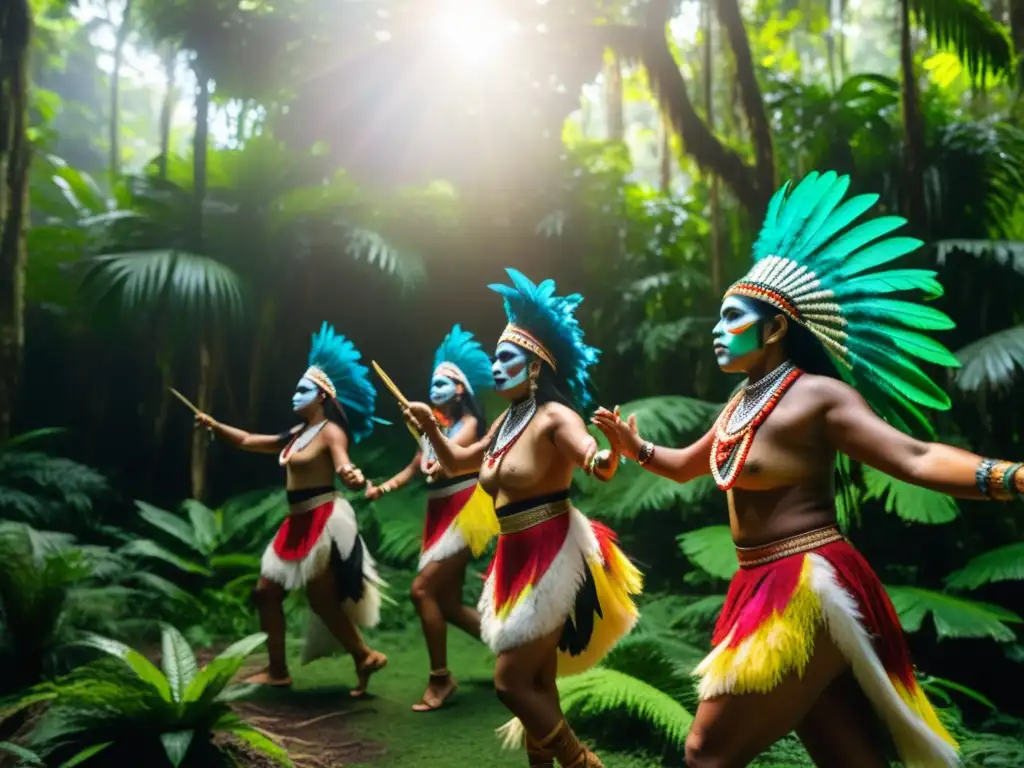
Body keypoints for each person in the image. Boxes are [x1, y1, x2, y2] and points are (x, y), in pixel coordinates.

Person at [589, 170, 1001, 767]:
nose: (716, 331)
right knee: (850, 758)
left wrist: (1009, 477)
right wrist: (636, 447)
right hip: (758, 581)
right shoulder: (742, 403)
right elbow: (687, 468)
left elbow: (913, 456)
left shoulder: (817, 396)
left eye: (731, 318)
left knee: (706, 751)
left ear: (777, 326)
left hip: (804, 583)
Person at [401, 269, 643, 768]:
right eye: (493, 356)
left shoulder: (556, 418)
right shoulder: (505, 422)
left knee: (510, 683)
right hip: (513, 556)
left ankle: (583, 764)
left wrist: (610, 453)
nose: (495, 364)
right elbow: (455, 463)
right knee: (538, 680)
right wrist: (429, 427)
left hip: (552, 550)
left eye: (506, 357)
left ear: (535, 368)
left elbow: (592, 460)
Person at [194, 322, 388, 696]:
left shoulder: (331, 431)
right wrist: (214, 425)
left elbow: (343, 461)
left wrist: (349, 474)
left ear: (322, 396)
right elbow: (250, 440)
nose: (294, 395)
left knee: (321, 598)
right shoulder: (296, 435)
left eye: (303, 390)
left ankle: (362, 654)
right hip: (296, 521)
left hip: (323, 518)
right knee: (267, 592)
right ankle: (280, 669)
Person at [365, 324, 499, 712]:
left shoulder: (468, 425)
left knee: (421, 590)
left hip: (464, 514)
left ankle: (441, 678)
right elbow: (415, 467)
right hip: (438, 515)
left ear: (460, 391)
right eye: (431, 384)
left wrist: (428, 432)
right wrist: (383, 488)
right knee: (451, 605)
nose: (434, 390)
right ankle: (515, 650)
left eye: (442, 384)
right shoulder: (433, 429)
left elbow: (447, 460)